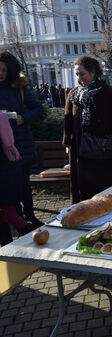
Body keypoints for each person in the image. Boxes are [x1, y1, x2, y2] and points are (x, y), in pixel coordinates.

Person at [63, 55, 112, 203]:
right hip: (80, 150)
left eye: (82, 74)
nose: (79, 78)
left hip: (104, 151)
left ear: (93, 73)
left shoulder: (109, 93)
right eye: (77, 74)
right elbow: (67, 119)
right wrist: (67, 143)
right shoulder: (74, 94)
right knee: (84, 191)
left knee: (105, 190)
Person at [0, 51, 45, 228]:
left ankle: (30, 217)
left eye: (4, 69)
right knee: (10, 188)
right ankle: (18, 222)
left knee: (24, 185)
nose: (1, 73)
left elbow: (38, 109)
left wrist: (23, 118)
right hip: (3, 149)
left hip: (22, 143)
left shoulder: (18, 88)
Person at [0, 111, 38, 246]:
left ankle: (35, 240)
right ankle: (7, 249)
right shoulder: (6, 118)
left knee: (8, 213)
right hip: (9, 170)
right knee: (4, 215)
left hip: (5, 174)